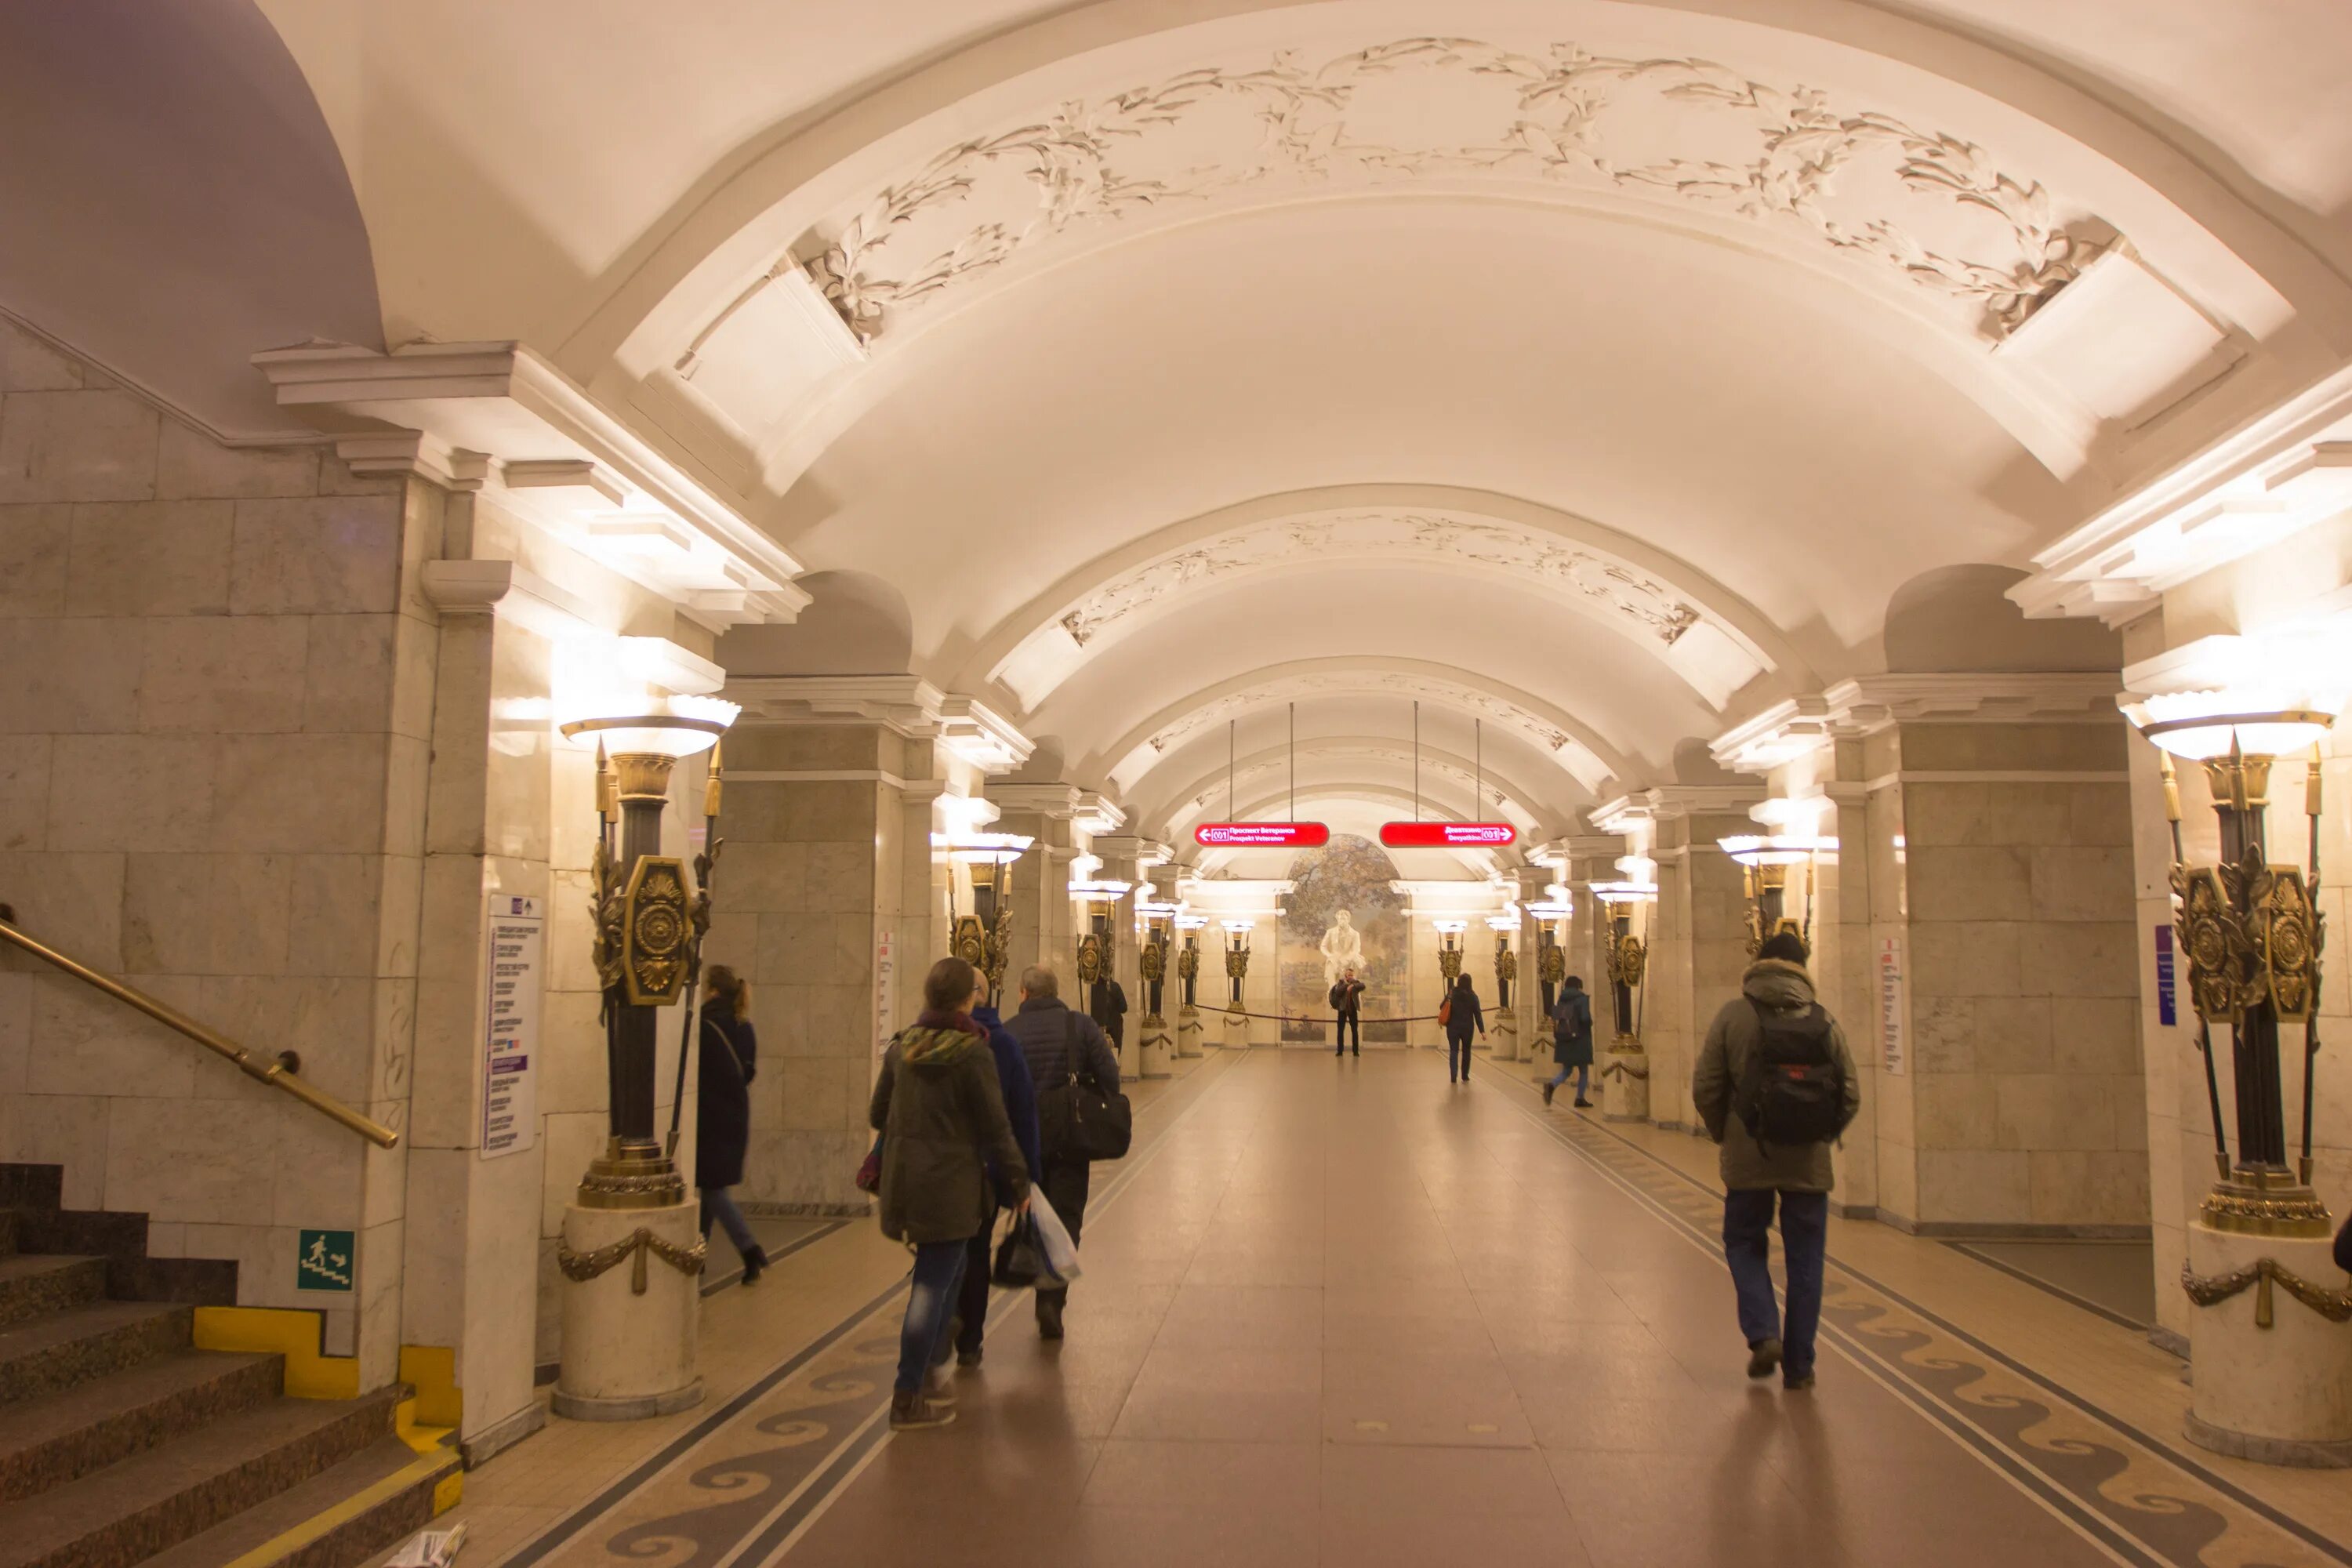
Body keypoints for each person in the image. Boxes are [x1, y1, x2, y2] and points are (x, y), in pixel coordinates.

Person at [1690, 930, 1860, 1392]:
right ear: (1802, 970)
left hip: (1748, 1158)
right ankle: (1800, 1365)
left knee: (1744, 1242)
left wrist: (1725, 1132)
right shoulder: (1824, 1021)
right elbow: (1850, 1093)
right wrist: (1821, 1134)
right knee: (1806, 1260)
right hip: (1809, 1164)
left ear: (1759, 965)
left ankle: (1764, 1332)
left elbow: (1706, 1084)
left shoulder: (1733, 1015)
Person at [869, 956, 1032, 1430]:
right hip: (953, 1187)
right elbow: (996, 1128)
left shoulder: (902, 1049)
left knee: (948, 1274)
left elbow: (879, 1113)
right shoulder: (971, 1052)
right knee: (930, 1288)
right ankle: (906, 1392)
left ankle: (929, 1366)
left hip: (906, 1184)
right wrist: (1019, 1183)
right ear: (968, 999)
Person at [1005, 964, 1120, 1341]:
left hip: (1024, 1140)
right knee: (1067, 1215)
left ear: (1024, 993)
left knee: (1031, 1211)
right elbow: (1110, 1078)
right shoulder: (1081, 1026)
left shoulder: (1009, 1031)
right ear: (1056, 993)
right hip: (1070, 1137)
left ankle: (1033, 1273)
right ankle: (1051, 1299)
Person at [946, 990, 1043, 1369]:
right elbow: (1016, 1119)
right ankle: (969, 1341)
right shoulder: (1000, 1044)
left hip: (935, 1173)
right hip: (983, 1171)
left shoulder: (917, 1042)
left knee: (937, 1255)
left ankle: (940, 1331)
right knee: (976, 1251)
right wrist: (1025, 1179)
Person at [695, 964, 768, 1283]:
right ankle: (696, 1256)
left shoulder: (705, 1025)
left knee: (711, 1187)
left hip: (708, 1114)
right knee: (712, 1185)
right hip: (736, 1112)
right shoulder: (744, 1025)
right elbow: (748, 1072)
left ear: (712, 991)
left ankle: (749, 1248)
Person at [1544, 975, 1595, 1109]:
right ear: (1578, 986)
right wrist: (1590, 1022)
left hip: (1565, 1039)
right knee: (1583, 1070)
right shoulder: (1582, 999)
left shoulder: (1562, 999)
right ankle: (1580, 1098)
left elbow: (1558, 1017)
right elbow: (1585, 1019)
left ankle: (1552, 1085)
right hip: (1580, 1040)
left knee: (1567, 1070)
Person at [1443, 972, 1484, 1083]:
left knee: (1454, 1051)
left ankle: (1453, 1075)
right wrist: (1482, 1031)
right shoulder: (1473, 996)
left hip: (1453, 1027)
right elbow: (1477, 1014)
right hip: (1467, 1028)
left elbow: (1442, 1006)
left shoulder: (1452, 994)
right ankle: (1465, 1075)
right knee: (1466, 1051)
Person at [1329, 964, 1365, 1057]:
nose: (1350, 977)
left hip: (1353, 1010)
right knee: (1340, 1031)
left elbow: (1363, 986)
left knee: (1355, 1031)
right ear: (1345, 976)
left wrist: (1353, 986)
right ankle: (1340, 1051)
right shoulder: (1341, 983)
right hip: (1342, 1009)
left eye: (1352, 975)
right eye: (1349, 975)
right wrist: (1346, 985)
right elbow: (1338, 992)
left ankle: (1355, 1051)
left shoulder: (1356, 983)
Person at [1091, 975, 1129, 1055]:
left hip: (1098, 1028)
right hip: (1115, 1028)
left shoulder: (1093, 988)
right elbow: (1124, 1008)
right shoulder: (1115, 987)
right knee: (1114, 1056)